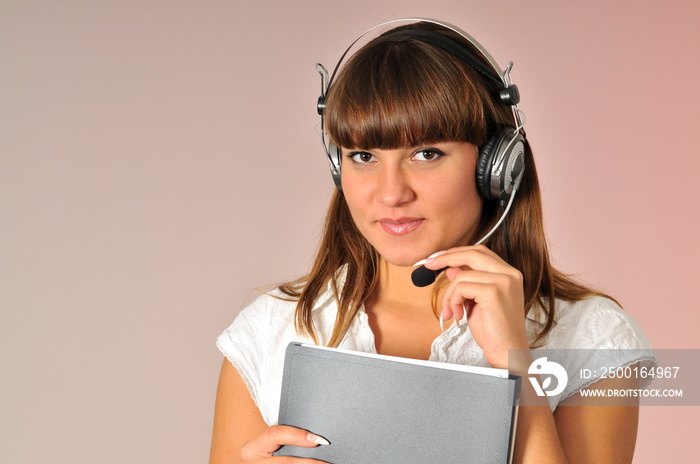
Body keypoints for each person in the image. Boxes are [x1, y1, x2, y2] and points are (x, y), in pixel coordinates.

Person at [209, 19, 653, 464]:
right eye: (363, 156)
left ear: (497, 167)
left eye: (426, 154)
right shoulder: (269, 328)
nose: (390, 193)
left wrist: (516, 363)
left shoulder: (592, 338)